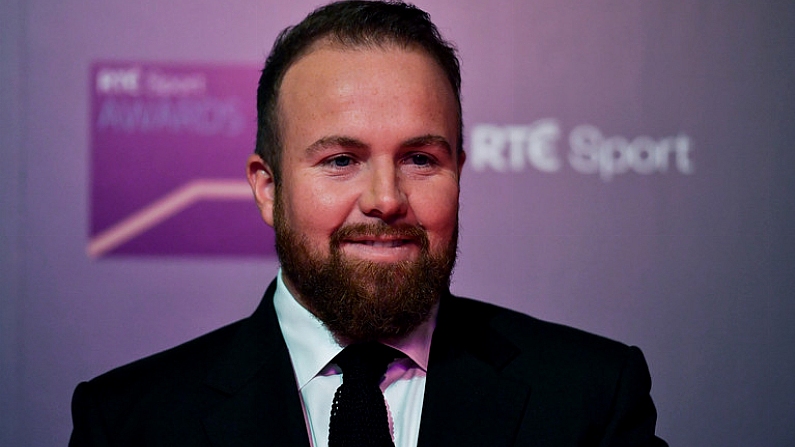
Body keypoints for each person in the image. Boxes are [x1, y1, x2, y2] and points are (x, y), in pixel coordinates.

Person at [69, 1, 667, 446]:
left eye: (419, 160)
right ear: (267, 188)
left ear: (459, 171)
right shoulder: (128, 423)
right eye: (340, 161)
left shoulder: (591, 399)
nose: (385, 199)